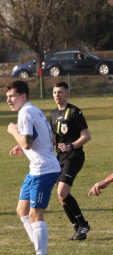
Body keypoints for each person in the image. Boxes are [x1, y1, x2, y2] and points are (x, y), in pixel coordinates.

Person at [6, 80, 61, 255]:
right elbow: (50, 139)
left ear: (23, 96)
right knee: (22, 211)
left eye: (12, 96)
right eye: (7, 97)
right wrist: (24, 145)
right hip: (36, 169)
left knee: (36, 215)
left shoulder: (25, 113)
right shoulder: (34, 110)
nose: (9, 100)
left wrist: (14, 131)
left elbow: (28, 143)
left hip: (44, 170)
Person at [50, 82, 91, 240]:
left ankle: (83, 224)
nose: (56, 95)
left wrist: (71, 146)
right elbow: (54, 139)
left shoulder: (75, 112)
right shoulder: (53, 114)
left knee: (62, 191)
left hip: (74, 156)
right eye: (54, 92)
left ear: (67, 94)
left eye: (60, 92)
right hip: (59, 158)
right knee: (62, 196)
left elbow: (87, 136)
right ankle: (78, 229)